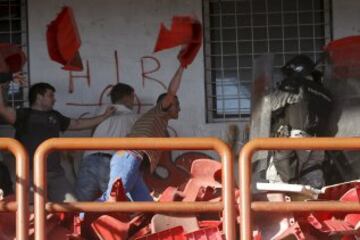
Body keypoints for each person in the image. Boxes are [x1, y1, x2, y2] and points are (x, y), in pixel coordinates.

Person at [0, 81, 115, 202]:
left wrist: (105, 116)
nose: (54, 100)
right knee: (31, 211)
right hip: (29, 173)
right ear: (39, 96)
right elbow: (2, 109)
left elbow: (78, 124)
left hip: (55, 173)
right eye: (50, 95)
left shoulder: (55, 116)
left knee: (72, 208)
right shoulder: (23, 114)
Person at [100, 65, 184, 202]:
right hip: (129, 157)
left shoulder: (159, 123)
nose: (179, 108)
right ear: (166, 104)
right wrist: (181, 67)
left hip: (134, 163)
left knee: (147, 207)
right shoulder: (158, 112)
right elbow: (171, 92)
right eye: (176, 104)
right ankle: (81, 216)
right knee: (111, 200)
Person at [265, 54, 333, 189]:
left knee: (279, 186)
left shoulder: (295, 85)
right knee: (313, 191)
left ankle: (283, 211)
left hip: (294, 141)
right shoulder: (325, 93)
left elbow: (268, 106)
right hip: (319, 145)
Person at [75, 83, 138, 201]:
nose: (133, 101)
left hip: (89, 159)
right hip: (111, 161)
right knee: (114, 204)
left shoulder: (101, 111)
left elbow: (92, 132)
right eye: (132, 97)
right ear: (128, 97)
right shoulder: (133, 117)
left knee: (81, 205)